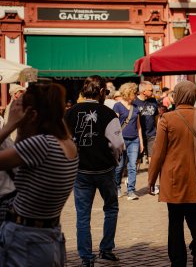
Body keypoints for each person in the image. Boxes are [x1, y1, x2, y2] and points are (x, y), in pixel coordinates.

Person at [0, 83, 79, 266]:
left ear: (33, 115)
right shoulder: (66, 143)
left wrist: (10, 125)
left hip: (24, 237)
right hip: (49, 234)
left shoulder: (41, 145)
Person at [148, 80, 196, 267]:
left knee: (175, 219)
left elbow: (158, 153)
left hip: (174, 175)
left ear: (177, 96)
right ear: (194, 95)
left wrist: (151, 178)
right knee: (193, 210)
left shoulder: (168, 118)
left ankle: (178, 260)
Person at [65, 76, 125, 267]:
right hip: (104, 168)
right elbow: (117, 144)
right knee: (111, 208)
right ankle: (106, 249)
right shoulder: (108, 113)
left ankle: (86, 257)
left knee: (83, 215)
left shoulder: (71, 112)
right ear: (101, 92)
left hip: (81, 169)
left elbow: (63, 141)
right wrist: (116, 160)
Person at [113, 82, 143, 200]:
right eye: (134, 93)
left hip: (134, 140)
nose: (136, 95)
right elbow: (115, 126)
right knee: (119, 167)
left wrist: (141, 141)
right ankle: (117, 187)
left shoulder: (135, 108)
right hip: (121, 140)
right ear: (128, 93)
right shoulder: (117, 106)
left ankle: (131, 190)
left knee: (132, 166)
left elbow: (139, 126)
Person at [134, 81, 158, 167]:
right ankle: (132, 179)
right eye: (151, 90)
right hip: (137, 135)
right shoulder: (134, 102)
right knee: (136, 160)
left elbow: (156, 117)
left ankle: (151, 179)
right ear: (144, 92)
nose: (153, 92)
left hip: (152, 134)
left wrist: (157, 131)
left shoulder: (153, 101)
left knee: (153, 159)